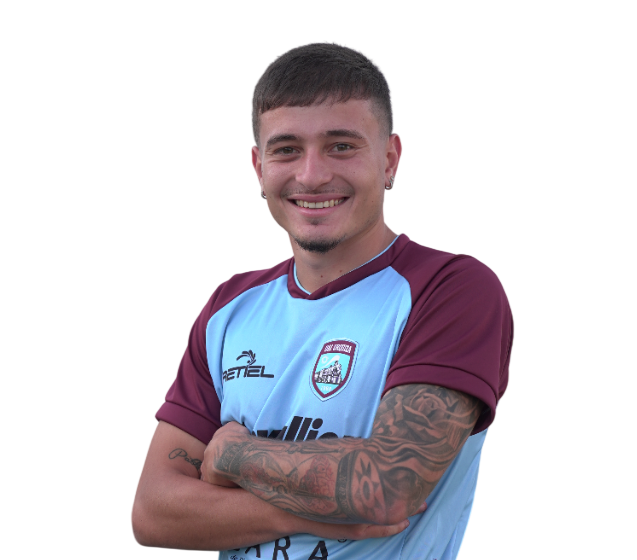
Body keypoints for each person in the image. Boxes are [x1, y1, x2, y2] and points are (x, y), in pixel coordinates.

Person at [130, 41, 513, 559]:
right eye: (287, 149)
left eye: (341, 146)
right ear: (258, 167)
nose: (312, 175)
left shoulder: (451, 289)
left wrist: (234, 454)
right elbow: (153, 513)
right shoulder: (229, 305)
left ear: (390, 159)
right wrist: (320, 509)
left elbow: (388, 488)